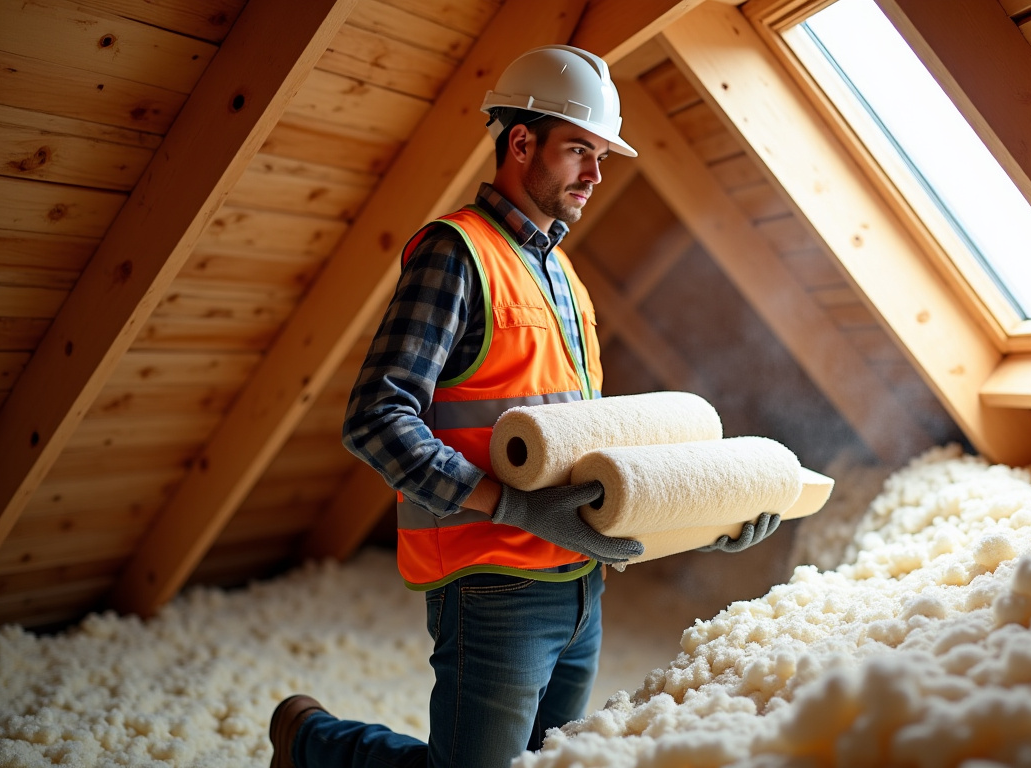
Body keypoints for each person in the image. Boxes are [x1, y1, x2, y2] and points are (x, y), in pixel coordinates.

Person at [267, 44, 781, 768]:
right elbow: (375, 418)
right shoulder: (457, 254)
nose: (597, 174)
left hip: (580, 583)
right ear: (520, 142)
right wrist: (513, 508)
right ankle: (312, 743)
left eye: (602, 155)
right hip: (494, 585)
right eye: (579, 150)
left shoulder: (562, 272)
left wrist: (702, 517)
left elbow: (590, 444)